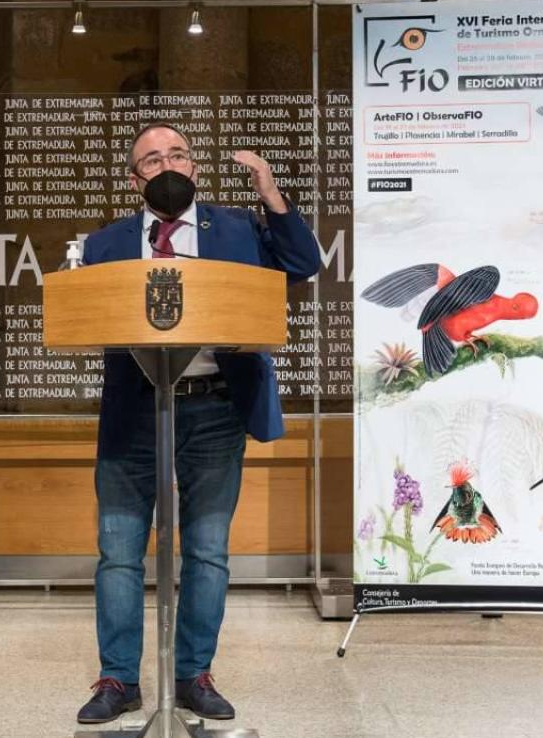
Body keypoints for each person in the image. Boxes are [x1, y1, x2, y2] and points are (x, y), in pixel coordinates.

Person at [76, 122, 321, 724]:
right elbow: (84, 314)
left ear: (195, 167)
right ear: (135, 178)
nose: (167, 166)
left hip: (214, 406)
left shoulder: (236, 228)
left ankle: (193, 675)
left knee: (207, 551)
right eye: (152, 159)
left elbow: (302, 263)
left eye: (178, 154)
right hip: (134, 408)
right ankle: (118, 680)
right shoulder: (106, 244)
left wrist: (269, 191)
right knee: (118, 549)